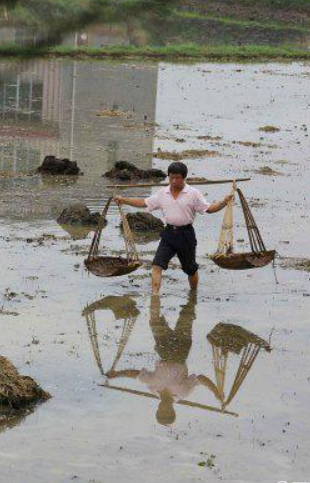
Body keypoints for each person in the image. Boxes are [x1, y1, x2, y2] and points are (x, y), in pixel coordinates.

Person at [114, 162, 232, 295]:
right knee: (157, 265)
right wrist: (124, 200)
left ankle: (193, 294)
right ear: (168, 177)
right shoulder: (163, 193)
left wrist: (224, 202)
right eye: (171, 178)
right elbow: (144, 203)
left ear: (184, 177)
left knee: (190, 269)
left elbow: (209, 209)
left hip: (186, 234)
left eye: (177, 178)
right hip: (169, 234)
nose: (174, 181)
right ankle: (155, 297)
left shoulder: (193, 193)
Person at [106, 295, 218, 426]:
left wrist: (116, 374)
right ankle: (192, 293)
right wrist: (216, 391)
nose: (164, 408)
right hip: (181, 350)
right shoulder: (182, 392)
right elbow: (200, 379)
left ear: (158, 409)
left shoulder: (153, 387)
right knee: (186, 315)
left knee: (154, 320)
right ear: (172, 410)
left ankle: (155, 292)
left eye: (161, 411)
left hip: (163, 349)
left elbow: (135, 374)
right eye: (167, 411)